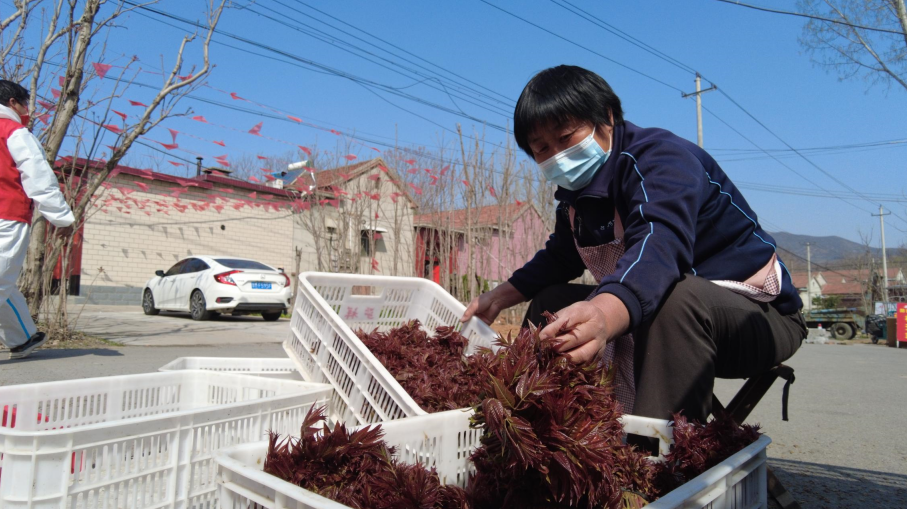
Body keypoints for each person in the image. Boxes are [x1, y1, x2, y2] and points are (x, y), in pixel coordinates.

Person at [461, 65, 806, 422]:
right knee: (550, 305)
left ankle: (658, 461)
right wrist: (496, 298)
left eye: (565, 137)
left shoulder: (661, 159)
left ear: (606, 118)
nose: (556, 156)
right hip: (658, 318)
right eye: (542, 148)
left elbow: (659, 244)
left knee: (677, 298)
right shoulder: (575, 197)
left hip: (755, 319)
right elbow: (560, 258)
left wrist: (603, 314)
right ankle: (542, 423)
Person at [0, 80, 74, 359]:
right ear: (13, 104)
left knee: (3, 281)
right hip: (6, 216)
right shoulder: (14, 131)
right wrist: (62, 218)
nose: (28, 110)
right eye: (25, 104)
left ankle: (22, 338)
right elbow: (39, 178)